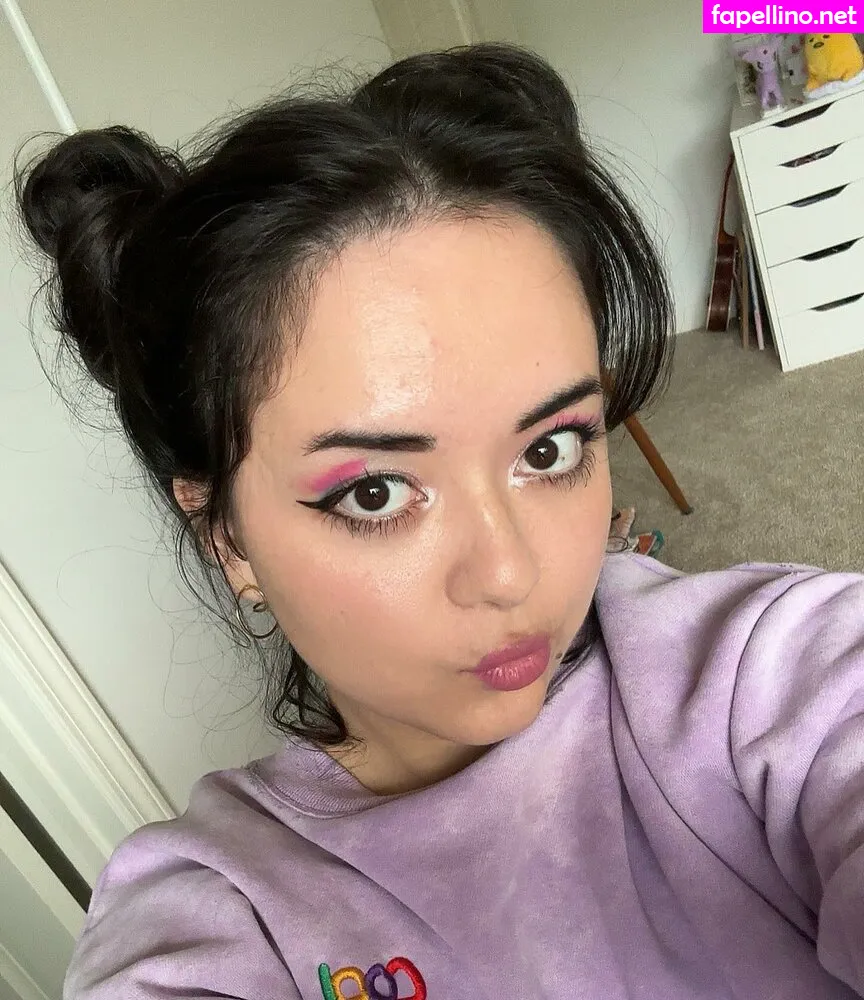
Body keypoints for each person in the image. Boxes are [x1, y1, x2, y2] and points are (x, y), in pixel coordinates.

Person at [14, 42, 864, 1000]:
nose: (510, 573)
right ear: (228, 539)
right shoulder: (223, 914)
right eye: (375, 492)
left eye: (549, 449)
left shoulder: (759, 675)